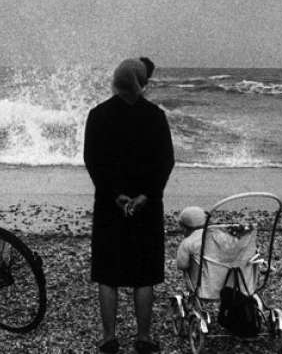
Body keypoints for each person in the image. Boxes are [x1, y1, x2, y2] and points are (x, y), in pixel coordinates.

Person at [83, 58, 175, 354]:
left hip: (110, 205)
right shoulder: (155, 116)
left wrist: (114, 195)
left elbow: (92, 160)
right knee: (144, 273)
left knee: (107, 273)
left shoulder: (97, 115)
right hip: (147, 206)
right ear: (141, 80)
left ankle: (109, 338)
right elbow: (165, 161)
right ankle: (143, 337)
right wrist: (147, 195)